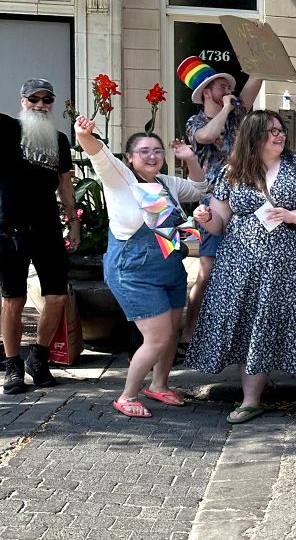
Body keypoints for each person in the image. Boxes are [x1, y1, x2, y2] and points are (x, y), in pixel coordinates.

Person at [187, 111, 296, 423]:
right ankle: (251, 400)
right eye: (271, 131)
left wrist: (291, 215)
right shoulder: (233, 171)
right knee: (249, 328)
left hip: (293, 266)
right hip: (241, 266)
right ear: (253, 137)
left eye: (280, 130)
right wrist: (205, 219)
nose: (279, 135)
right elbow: (219, 222)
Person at [74, 116, 208, 417]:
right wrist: (83, 134)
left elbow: (201, 187)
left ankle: (159, 386)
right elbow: (97, 153)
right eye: (144, 151)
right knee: (158, 336)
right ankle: (127, 395)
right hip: (132, 271)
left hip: (170, 267)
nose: (152, 156)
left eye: (158, 151)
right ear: (130, 158)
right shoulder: (121, 179)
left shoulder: (166, 183)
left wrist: (189, 157)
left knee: (171, 332)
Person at [175, 56, 262, 363]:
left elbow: (254, 83)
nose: (228, 88)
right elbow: (208, 137)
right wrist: (227, 107)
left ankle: (232, 333)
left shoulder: (238, 115)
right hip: (212, 203)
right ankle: (189, 332)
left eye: (228, 84)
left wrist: (261, 59)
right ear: (206, 92)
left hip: (244, 202)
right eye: (221, 85)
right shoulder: (195, 122)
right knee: (207, 272)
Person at [1, 79, 77, 395]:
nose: (41, 104)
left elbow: (66, 185)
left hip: (47, 227)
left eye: (47, 100)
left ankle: (39, 359)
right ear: (23, 101)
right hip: (10, 230)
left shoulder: (59, 140)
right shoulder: (6, 130)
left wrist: (74, 222)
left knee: (57, 296)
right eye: (34, 98)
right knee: (12, 299)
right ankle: (13, 367)